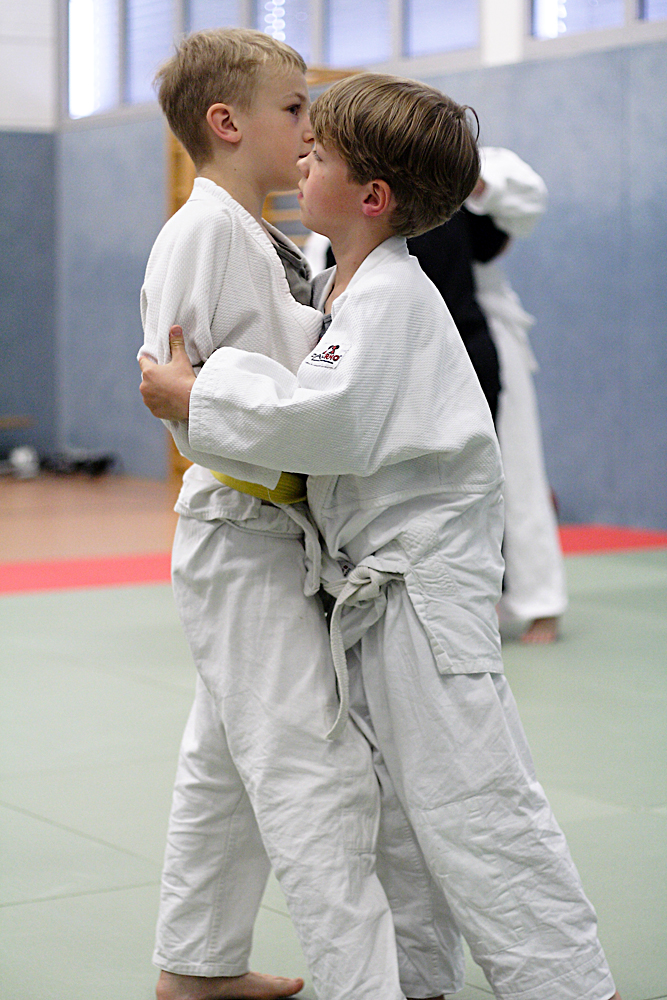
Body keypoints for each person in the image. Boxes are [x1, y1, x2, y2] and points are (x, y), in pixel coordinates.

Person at [140, 73, 620, 1000]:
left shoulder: (394, 296)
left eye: (318, 154)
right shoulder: (344, 285)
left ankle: (566, 984)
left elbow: (329, 421)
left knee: (476, 807)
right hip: (379, 596)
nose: (302, 156)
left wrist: (194, 394)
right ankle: (417, 977)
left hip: (423, 597)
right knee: (402, 810)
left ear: (370, 197)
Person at [138, 30, 441, 1000]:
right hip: (244, 529)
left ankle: (196, 964)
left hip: (267, 531)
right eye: (297, 108)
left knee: (227, 761)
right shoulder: (203, 231)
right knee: (311, 767)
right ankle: (365, 985)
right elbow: (193, 400)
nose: (311, 126)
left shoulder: (251, 231)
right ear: (227, 124)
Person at [465, 147, 567, 643]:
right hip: (411, 330)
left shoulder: (477, 163)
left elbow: (528, 199)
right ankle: (478, 599)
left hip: (486, 333)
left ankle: (541, 601)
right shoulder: (366, 178)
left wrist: (471, 182)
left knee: (516, 472)